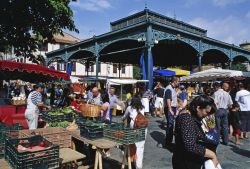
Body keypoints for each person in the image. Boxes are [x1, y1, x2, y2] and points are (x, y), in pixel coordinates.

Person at [172, 95, 220, 169]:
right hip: (185, 162)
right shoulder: (186, 118)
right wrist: (212, 154)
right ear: (198, 108)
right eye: (206, 112)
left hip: (190, 160)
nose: (206, 115)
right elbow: (190, 145)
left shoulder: (192, 117)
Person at [122, 96, 147, 169]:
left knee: (133, 146)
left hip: (134, 129)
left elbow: (124, 117)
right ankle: (139, 166)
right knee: (140, 147)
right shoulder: (143, 108)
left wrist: (123, 120)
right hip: (143, 128)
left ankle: (133, 162)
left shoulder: (129, 108)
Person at [164, 76, 179, 147]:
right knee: (170, 125)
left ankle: (168, 142)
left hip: (172, 107)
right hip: (170, 108)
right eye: (178, 81)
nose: (178, 83)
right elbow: (168, 99)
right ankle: (168, 143)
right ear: (174, 81)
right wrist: (170, 109)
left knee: (171, 124)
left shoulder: (172, 88)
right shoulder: (169, 89)